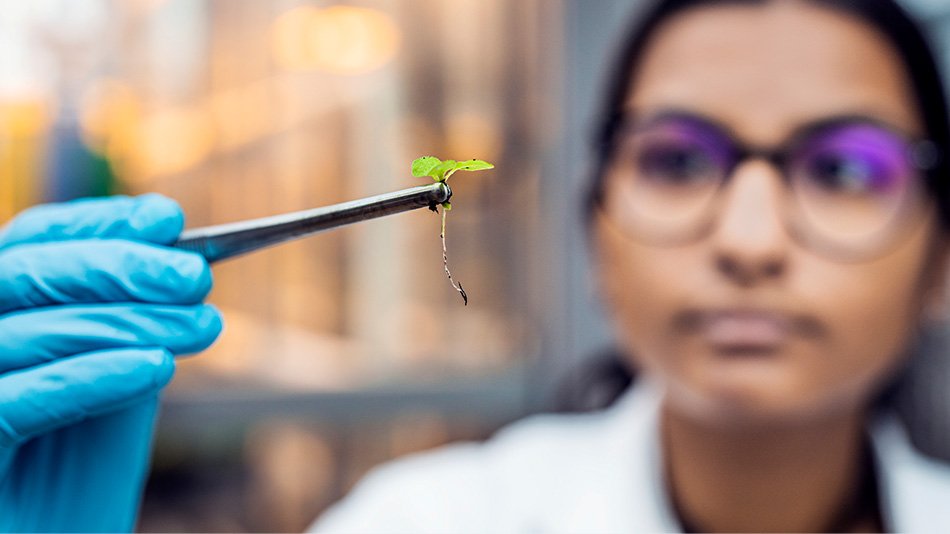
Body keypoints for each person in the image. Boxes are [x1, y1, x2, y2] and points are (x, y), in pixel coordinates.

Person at [1, 0, 949, 532]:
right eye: (679, 161)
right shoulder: (420, 522)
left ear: (942, 261)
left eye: (844, 170)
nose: (749, 240)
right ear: (596, 243)